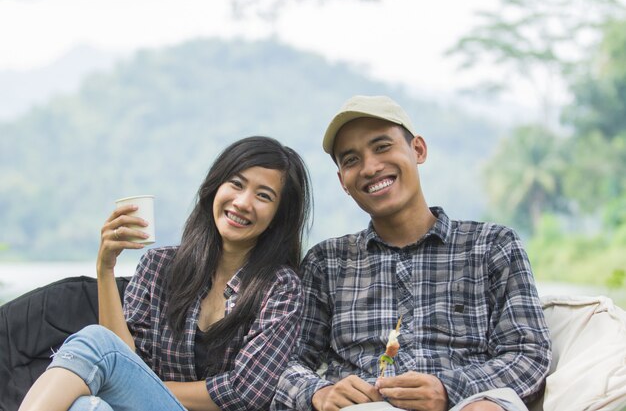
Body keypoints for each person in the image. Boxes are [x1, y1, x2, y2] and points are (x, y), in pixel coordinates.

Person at [271, 96, 552, 411]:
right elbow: (285, 361)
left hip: (466, 403)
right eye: (351, 160)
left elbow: (529, 353)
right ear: (343, 182)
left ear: (418, 149)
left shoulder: (492, 245)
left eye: (382, 147)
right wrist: (318, 392)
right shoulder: (328, 262)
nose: (371, 167)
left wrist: (449, 389)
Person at [19, 136, 312, 411]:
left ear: (278, 216)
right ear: (215, 187)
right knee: (88, 407)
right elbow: (126, 356)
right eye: (236, 184)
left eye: (263, 195)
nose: (243, 202)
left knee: (97, 344)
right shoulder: (159, 265)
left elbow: (245, 390)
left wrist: (134, 382)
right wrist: (105, 269)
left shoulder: (281, 287)